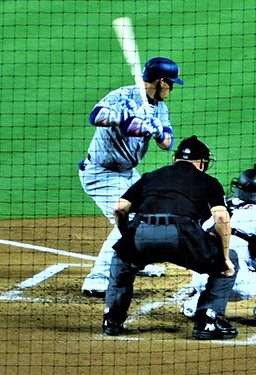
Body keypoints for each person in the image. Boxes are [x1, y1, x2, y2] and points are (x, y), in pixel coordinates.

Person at [102, 135, 240, 340]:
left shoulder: (151, 176)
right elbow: (221, 217)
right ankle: (208, 321)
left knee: (122, 261)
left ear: (176, 159)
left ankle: (112, 320)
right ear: (202, 163)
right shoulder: (209, 181)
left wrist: (128, 237)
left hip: (143, 231)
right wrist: (225, 258)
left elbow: (119, 208)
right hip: (182, 236)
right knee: (228, 263)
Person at [78, 56, 183, 297]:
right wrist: (123, 117)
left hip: (127, 173)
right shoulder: (122, 96)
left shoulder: (159, 108)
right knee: (130, 217)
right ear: (160, 82)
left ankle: (135, 260)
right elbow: (96, 117)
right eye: (171, 83)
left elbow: (168, 144)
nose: (173, 88)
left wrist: (156, 131)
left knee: (152, 212)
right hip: (101, 173)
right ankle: (98, 277)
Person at [181, 164, 256, 324]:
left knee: (213, 249)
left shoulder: (219, 206)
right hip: (239, 287)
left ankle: (196, 300)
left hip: (205, 282)